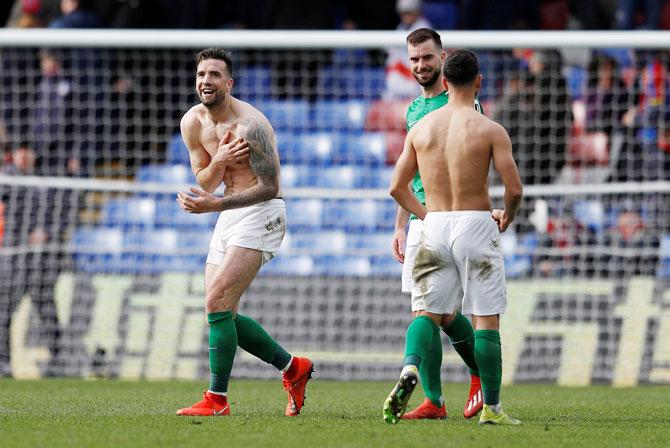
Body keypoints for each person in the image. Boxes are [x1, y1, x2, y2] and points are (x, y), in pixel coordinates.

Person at [385, 49, 523, 425]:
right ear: (478, 81)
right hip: (476, 224)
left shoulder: (421, 129)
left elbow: (396, 187)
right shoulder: (489, 129)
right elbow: (514, 188)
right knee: (485, 319)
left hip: (433, 224)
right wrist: (507, 215)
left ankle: (411, 367)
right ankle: (492, 409)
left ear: (444, 81)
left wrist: (426, 216)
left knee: (426, 311)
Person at [174, 48, 313, 417]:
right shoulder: (193, 123)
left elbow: (270, 187)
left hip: (262, 211)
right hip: (229, 213)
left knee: (217, 300)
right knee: (219, 310)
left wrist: (215, 204)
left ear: (229, 83)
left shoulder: (252, 125)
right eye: (201, 73)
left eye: (215, 74)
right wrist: (219, 161)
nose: (206, 80)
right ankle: (293, 368)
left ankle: (216, 400)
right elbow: (204, 179)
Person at [390, 28, 483, 421]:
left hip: (454, 219)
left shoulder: (465, 104)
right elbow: (410, 176)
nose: (420, 66)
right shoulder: (413, 110)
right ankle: (437, 399)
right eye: (413, 59)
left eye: (426, 57)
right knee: (433, 314)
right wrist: (401, 224)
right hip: (423, 220)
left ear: (442, 59)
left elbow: (477, 162)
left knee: (430, 312)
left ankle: (477, 375)